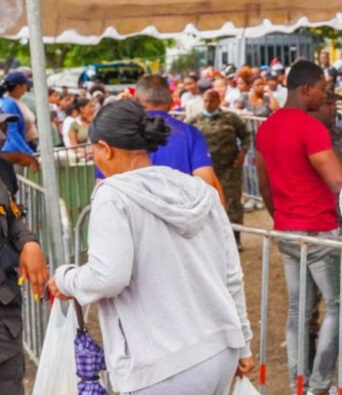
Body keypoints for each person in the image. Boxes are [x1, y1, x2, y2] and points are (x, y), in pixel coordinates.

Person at [47, 100, 254, 394]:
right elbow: (232, 274)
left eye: (93, 150)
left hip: (162, 365)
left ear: (105, 148)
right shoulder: (199, 191)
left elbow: (108, 277)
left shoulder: (113, 195)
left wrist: (66, 278)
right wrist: (243, 342)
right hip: (220, 350)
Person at [255, 60, 342, 395]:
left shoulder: (266, 128)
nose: (324, 94)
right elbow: (337, 180)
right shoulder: (311, 128)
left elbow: (264, 186)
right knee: (335, 307)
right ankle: (319, 384)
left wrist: (280, 217)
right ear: (305, 88)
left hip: (286, 230)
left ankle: (298, 382)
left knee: (298, 310)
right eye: (322, 87)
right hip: (318, 229)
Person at [95, 75, 225, 204]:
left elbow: (102, 189)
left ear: (136, 101)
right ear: (171, 101)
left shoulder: (117, 134)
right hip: (181, 216)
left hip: (132, 217)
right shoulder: (191, 134)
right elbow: (208, 184)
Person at [0, 109, 48, 395]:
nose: (3, 135)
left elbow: (12, 215)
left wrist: (29, 242)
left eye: (5, 126)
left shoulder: (2, 170)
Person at [187, 91, 251, 249]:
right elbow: (186, 139)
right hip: (205, 170)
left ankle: (235, 238)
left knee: (232, 202)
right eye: (206, 101)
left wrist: (242, 153)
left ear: (218, 101)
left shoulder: (230, 118)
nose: (208, 105)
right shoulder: (195, 120)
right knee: (204, 201)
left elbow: (246, 136)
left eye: (212, 101)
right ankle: (211, 239)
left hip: (229, 168)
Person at [0, 72, 35, 155]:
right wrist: (29, 153)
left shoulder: (10, 101)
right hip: (14, 151)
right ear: (19, 87)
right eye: (25, 85)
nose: (27, 88)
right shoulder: (9, 104)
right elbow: (12, 132)